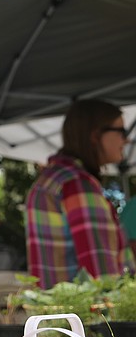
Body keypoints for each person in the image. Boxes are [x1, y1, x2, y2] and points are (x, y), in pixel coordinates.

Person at [25, 99, 133, 288]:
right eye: (121, 132)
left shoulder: (50, 180)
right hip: (86, 315)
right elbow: (102, 275)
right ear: (95, 135)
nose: (127, 140)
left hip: (58, 311)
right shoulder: (77, 185)